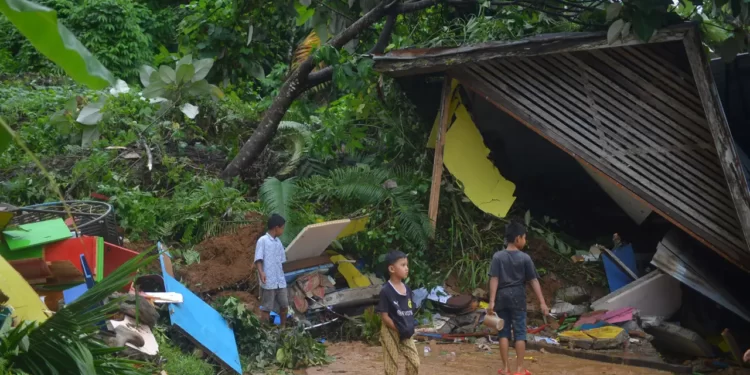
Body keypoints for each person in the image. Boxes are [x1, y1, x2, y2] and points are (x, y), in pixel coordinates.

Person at [488, 222, 549, 375]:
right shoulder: (525, 258)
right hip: (518, 297)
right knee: (520, 333)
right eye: (524, 238)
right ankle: (520, 369)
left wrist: (492, 301)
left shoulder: (498, 257)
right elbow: (533, 281)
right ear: (517, 239)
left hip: (502, 297)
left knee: (503, 333)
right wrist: (542, 302)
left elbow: (494, 279)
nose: (525, 241)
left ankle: (506, 369)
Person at [376, 250, 420, 375]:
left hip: (405, 330)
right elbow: (384, 316)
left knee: (414, 362)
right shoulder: (386, 291)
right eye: (403, 265)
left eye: (407, 265)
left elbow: (410, 311)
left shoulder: (407, 289)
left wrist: (408, 327)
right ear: (391, 268)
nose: (407, 268)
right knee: (391, 367)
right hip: (390, 330)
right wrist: (398, 328)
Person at [254, 213, 288, 326]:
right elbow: (258, 259)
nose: (283, 231)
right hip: (268, 280)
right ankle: (265, 331)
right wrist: (261, 272)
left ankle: (283, 328)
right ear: (276, 228)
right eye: (282, 228)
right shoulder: (262, 241)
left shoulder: (278, 242)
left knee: (284, 306)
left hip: (280, 281)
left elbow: (282, 261)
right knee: (266, 308)